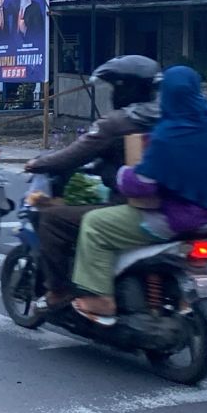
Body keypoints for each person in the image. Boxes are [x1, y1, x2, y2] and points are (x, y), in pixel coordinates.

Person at [70, 66, 207, 322]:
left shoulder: (168, 134)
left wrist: (121, 174)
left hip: (175, 220)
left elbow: (141, 185)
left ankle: (101, 299)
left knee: (94, 224)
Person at [23, 55, 161, 308]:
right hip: (174, 206)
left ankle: (60, 290)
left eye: (113, 87)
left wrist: (38, 164)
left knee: (52, 219)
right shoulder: (171, 118)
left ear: (124, 88)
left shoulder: (118, 122)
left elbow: (73, 155)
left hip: (132, 207)